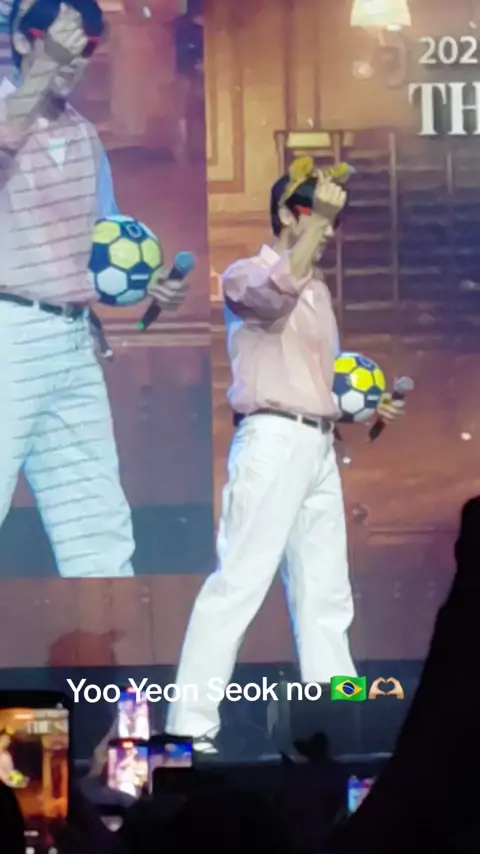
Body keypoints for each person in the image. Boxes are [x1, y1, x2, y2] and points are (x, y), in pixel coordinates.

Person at [166, 157, 405, 753]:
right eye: (314, 214)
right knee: (239, 582)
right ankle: (190, 726)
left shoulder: (318, 290)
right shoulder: (247, 274)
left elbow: (312, 382)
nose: (327, 228)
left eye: (332, 219)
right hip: (271, 441)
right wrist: (318, 222)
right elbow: (272, 301)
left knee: (326, 592)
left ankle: (338, 724)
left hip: (317, 444)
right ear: (285, 213)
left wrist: (362, 408)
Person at [0, 0, 186, 578]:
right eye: (58, 45)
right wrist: (39, 76)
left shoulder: (83, 135)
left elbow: (101, 245)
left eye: (84, 51)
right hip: (9, 333)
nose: (72, 62)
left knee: (98, 531)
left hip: (72, 340)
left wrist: (149, 286)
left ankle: (107, 637)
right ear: (22, 41)